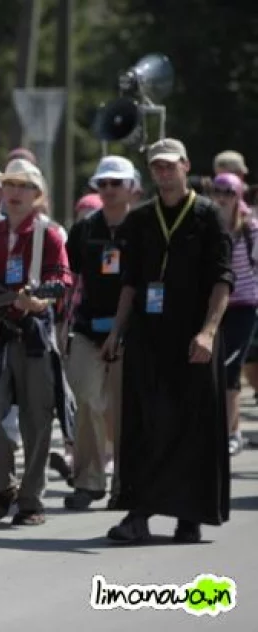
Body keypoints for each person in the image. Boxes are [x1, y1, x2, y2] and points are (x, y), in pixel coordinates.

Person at [101, 138, 232, 544]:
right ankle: (139, 515)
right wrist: (116, 332)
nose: (163, 172)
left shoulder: (208, 215)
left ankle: (189, 516)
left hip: (194, 338)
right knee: (146, 425)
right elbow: (131, 283)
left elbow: (221, 279)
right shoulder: (140, 220)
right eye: (156, 167)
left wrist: (208, 332)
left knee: (193, 426)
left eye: (169, 165)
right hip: (148, 337)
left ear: (185, 166)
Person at [0, 158, 73, 526]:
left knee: (37, 417)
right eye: (9, 185)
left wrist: (39, 299)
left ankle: (31, 501)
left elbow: (61, 281)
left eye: (23, 186)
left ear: (37, 194)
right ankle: (2, 488)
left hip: (33, 336)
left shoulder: (49, 234)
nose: (14, 192)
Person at [62, 156, 135, 512]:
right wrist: (64, 325)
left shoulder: (144, 227)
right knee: (87, 400)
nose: (108, 190)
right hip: (88, 329)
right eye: (102, 184)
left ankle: (126, 482)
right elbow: (74, 281)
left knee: (123, 410)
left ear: (131, 187)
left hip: (132, 333)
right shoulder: (84, 229)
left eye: (115, 183)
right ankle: (89, 481)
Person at [211, 173, 258, 456]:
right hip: (216, 305)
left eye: (229, 191)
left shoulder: (250, 229)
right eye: (217, 190)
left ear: (238, 194)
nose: (223, 197)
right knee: (216, 368)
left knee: (230, 367)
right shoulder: (210, 227)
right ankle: (231, 429)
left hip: (243, 306)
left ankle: (231, 432)